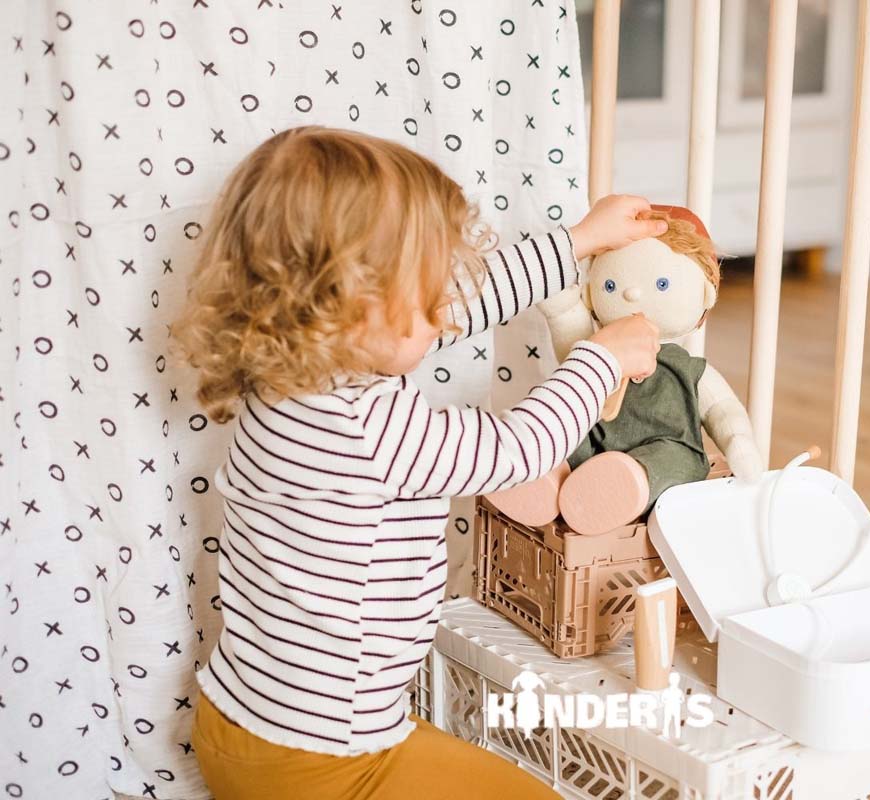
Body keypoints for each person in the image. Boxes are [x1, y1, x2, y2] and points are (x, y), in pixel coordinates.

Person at [173, 125, 665, 800]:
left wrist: (577, 243)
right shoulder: (368, 427)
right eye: (426, 291)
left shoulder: (289, 373)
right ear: (350, 307)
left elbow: (460, 308)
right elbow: (518, 450)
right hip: (322, 764)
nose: (445, 309)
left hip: (237, 720)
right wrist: (604, 358)